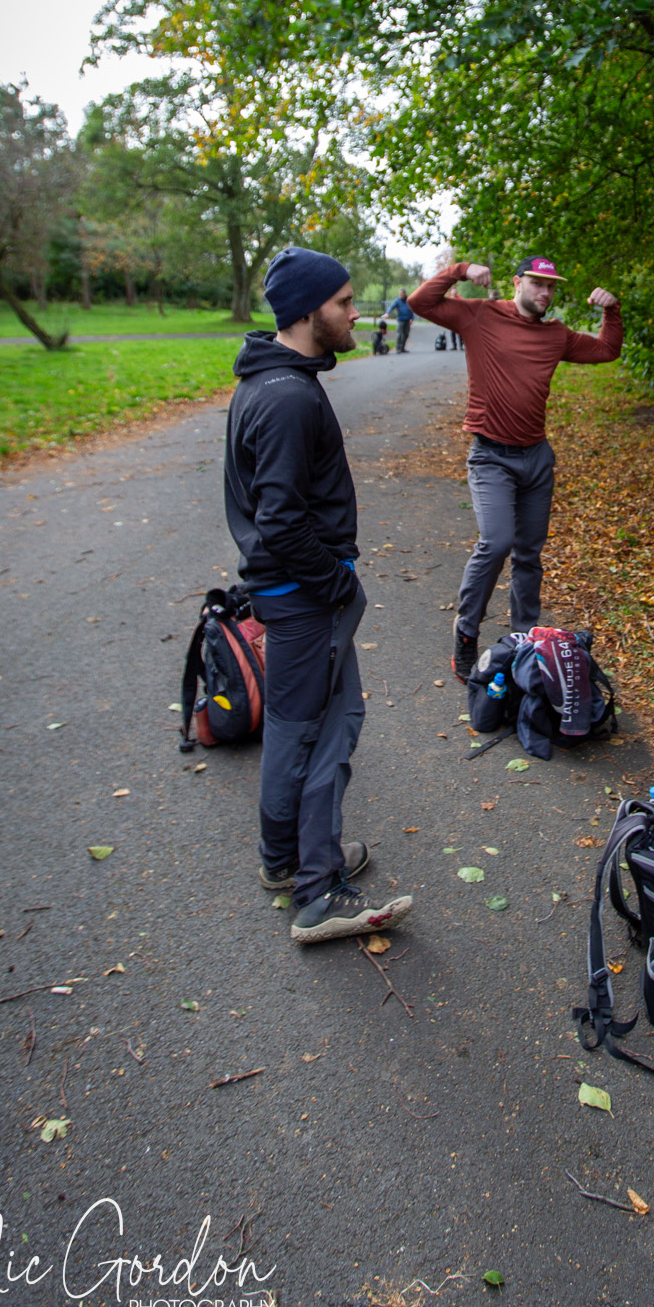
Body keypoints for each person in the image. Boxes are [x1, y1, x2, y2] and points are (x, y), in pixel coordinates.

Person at [224, 246, 413, 946]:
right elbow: (280, 520)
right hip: (305, 595)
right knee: (324, 731)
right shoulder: (287, 398)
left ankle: (289, 860)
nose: (356, 312)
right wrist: (336, 584)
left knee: (295, 726)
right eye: (344, 302)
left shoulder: (271, 381)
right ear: (308, 311)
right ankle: (318, 892)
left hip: (292, 593)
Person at [409, 253, 622, 680]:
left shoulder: (556, 335)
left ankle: (524, 640)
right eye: (537, 283)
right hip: (491, 456)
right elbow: (420, 303)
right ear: (516, 283)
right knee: (497, 541)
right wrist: (460, 270)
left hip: (536, 458)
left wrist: (612, 311)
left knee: (529, 553)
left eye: (551, 286)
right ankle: (466, 632)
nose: (545, 292)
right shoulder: (479, 316)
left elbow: (606, 350)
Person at [391, 289, 415, 353]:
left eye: (402, 293)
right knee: (399, 334)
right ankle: (397, 348)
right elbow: (392, 307)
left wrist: (411, 318)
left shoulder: (408, 300)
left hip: (407, 320)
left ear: (404, 293)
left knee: (406, 334)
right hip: (400, 320)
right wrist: (387, 313)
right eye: (400, 293)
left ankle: (402, 348)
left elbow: (411, 310)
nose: (400, 294)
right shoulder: (397, 301)